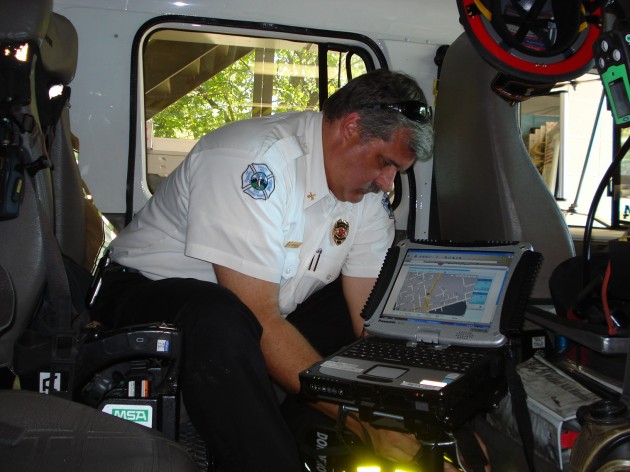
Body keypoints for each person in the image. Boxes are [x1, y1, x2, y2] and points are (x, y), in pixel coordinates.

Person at [90, 68, 455, 471]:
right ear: (351, 127)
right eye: (385, 163)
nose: (387, 183)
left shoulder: (365, 201)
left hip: (259, 308)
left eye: (396, 173)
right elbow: (257, 315)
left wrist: (422, 419)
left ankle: (320, 441)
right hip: (143, 293)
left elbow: (370, 322)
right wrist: (359, 417)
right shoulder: (253, 162)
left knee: (353, 315)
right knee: (221, 317)